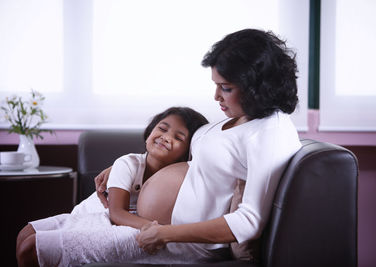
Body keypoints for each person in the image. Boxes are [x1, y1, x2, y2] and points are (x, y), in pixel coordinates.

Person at [95, 28, 302, 263]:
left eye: (225, 88)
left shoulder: (269, 133)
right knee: (50, 231)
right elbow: (199, 164)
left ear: (257, 86)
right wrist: (127, 168)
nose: (216, 96)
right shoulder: (244, 117)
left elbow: (249, 221)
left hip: (177, 242)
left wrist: (164, 234)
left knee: (50, 248)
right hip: (144, 221)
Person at [16, 107, 208, 267]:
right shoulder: (127, 163)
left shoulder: (178, 176)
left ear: (188, 151)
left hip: (124, 220)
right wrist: (159, 231)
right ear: (150, 131)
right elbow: (116, 213)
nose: (166, 137)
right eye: (162, 129)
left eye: (178, 137)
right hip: (96, 215)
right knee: (26, 234)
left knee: (32, 244)